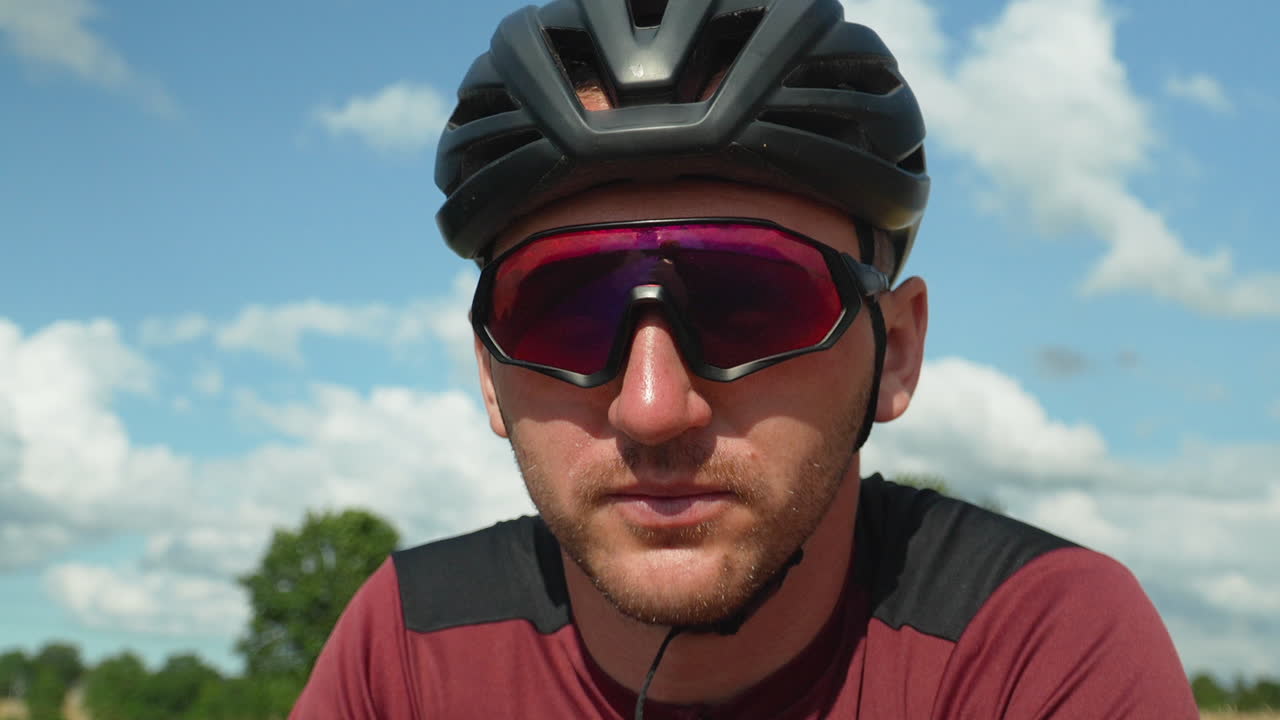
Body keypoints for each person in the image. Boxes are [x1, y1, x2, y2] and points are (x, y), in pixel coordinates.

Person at [291, 0, 1199, 717]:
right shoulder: (408, 649)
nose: (651, 407)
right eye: (563, 316)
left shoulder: (1037, 646)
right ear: (490, 373)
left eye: (750, 303)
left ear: (896, 352)